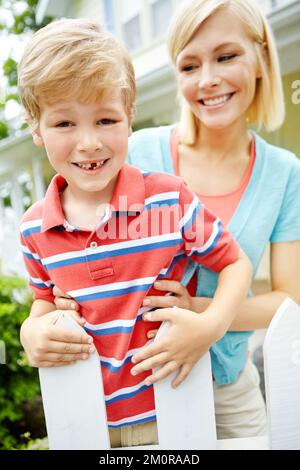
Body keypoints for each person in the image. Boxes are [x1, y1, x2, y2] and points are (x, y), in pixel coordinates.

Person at [51, 0, 300, 440]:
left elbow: (290, 302)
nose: (208, 80)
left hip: (227, 387)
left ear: (261, 58)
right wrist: (34, 326)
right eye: (189, 65)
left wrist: (203, 318)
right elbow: (66, 260)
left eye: (227, 56)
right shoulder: (138, 151)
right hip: (139, 390)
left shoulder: (284, 173)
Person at [18, 18, 252, 447]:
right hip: (86, 421)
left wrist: (211, 326)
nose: (89, 142)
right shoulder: (36, 228)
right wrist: (29, 331)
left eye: (105, 119)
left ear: (129, 117)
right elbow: (45, 299)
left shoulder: (166, 202)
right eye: (64, 124)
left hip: (173, 413)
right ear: (36, 128)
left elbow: (235, 263)